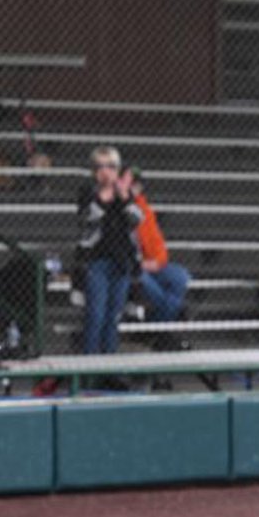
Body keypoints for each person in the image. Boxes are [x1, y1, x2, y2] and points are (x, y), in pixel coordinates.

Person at [76, 146, 142, 359]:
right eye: (100, 167)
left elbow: (137, 219)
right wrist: (105, 196)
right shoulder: (88, 193)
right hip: (97, 261)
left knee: (114, 316)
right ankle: (89, 366)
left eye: (111, 166)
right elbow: (88, 218)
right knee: (96, 314)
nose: (106, 171)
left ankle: (108, 365)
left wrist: (124, 197)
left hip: (121, 261)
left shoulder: (125, 193)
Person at [126, 167, 191, 334]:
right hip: (127, 266)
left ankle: (155, 327)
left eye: (137, 185)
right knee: (146, 282)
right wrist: (138, 264)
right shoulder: (114, 208)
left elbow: (157, 242)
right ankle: (165, 324)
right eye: (131, 184)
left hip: (147, 263)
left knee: (180, 277)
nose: (134, 189)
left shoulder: (143, 209)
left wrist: (157, 261)